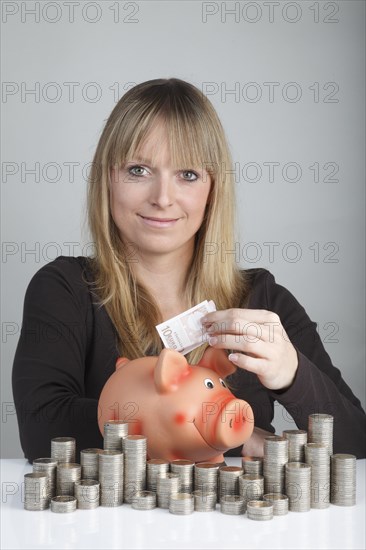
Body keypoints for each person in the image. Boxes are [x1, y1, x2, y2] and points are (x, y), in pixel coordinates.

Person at [12, 78, 366, 463]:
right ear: (107, 180)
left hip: (237, 523)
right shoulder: (65, 289)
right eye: (138, 170)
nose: (162, 198)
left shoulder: (263, 299)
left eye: (188, 175)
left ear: (213, 189)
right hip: (109, 524)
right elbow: (42, 430)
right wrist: (225, 435)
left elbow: (356, 444)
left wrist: (292, 375)